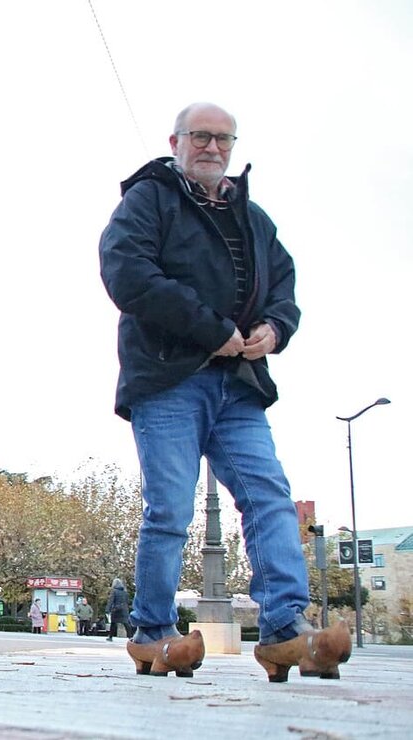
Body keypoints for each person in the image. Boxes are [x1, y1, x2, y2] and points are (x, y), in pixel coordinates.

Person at [99, 102, 352, 681]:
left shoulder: (254, 218)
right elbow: (127, 273)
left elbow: (283, 286)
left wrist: (275, 328)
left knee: (269, 497)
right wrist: (214, 331)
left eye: (223, 139)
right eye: (201, 137)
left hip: (239, 386)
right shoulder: (148, 201)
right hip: (168, 377)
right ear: (176, 141)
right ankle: (154, 632)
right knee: (168, 508)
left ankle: (286, 630)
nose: (213, 148)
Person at [104, 578, 131, 643]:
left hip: (116, 609)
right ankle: (130, 637)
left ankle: (110, 637)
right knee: (126, 623)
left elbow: (111, 601)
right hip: (124, 609)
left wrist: (107, 609)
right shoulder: (125, 592)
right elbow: (127, 601)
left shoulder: (114, 591)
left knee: (113, 623)